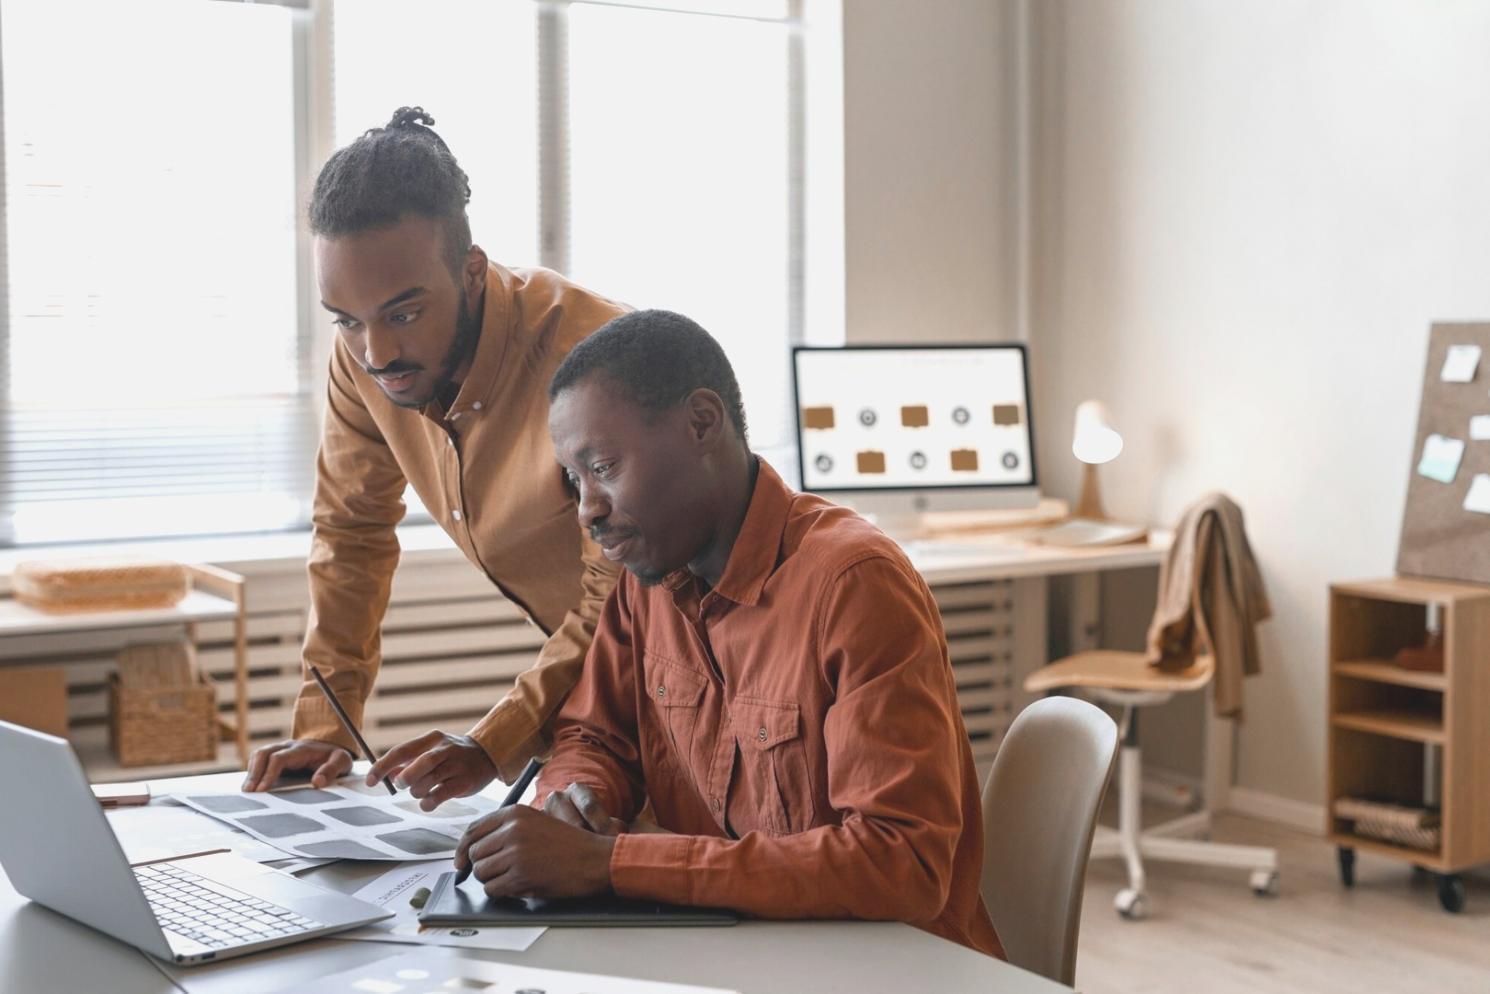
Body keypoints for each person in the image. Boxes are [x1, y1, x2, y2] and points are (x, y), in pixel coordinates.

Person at [451, 310, 1003, 958]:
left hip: (883, 970)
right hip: (738, 956)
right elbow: (593, 736)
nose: (587, 509)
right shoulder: (648, 578)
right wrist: (575, 807)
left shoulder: (853, 585)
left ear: (702, 423)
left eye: (603, 466)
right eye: (575, 480)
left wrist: (611, 863)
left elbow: (902, 864)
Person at [241, 107, 624, 808]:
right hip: (607, 685)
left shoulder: (595, 359)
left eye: (405, 313)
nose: (377, 353)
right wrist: (325, 726)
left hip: (721, 673)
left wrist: (493, 741)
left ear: (472, 271)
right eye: (348, 320)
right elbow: (351, 534)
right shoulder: (362, 359)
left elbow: (625, 594)